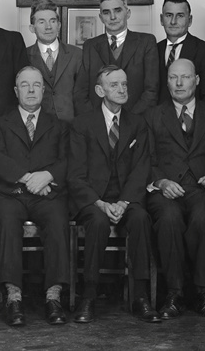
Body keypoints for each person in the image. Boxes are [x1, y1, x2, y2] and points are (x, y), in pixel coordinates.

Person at [68, 65, 158, 323]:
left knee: (141, 219)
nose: (122, 89)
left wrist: (123, 201)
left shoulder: (138, 123)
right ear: (100, 90)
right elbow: (75, 174)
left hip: (125, 198)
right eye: (114, 85)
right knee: (97, 222)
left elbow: (142, 169)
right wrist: (100, 203)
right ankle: (89, 296)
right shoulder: (82, 124)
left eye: (125, 85)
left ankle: (140, 296)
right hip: (93, 199)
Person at [0, 66, 71, 326]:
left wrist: (47, 176)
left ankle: (53, 296)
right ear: (16, 90)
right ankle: (13, 297)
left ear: (44, 90)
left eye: (36, 85)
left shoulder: (59, 124)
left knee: (58, 221)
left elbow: (68, 159)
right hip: (10, 193)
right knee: (8, 223)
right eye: (25, 85)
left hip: (47, 194)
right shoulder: (0, 123)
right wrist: (28, 178)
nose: (31, 90)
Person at [145, 59, 205, 320]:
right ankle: (174, 293)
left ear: (197, 80)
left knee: (204, 218)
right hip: (166, 189)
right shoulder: (153, 115)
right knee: (169, 218)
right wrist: (161, 183)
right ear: (166, 81)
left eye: (186, 77)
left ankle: (203, 293)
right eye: (173, 78)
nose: (179, 83)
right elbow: (146, 159)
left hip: (203, 187)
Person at [73, 0, 158, 115]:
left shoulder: (146, 42)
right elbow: (80, 92)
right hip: (98, 126)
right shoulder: (90, 46)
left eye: (117, 11)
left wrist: (132, 121)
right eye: (106, 12)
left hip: (137, 123)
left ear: (127, 13)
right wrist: (97, 121)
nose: (112, 17)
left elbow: (151, 90)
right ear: (101, 17)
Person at [157, 0, 205, 106]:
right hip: (156, 120)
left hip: (193, 120)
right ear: (161, 19)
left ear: (190, 20)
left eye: (180, 16)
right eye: (169, 15)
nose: (173, 21)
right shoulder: (152, 49)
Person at [26, 0, 81, 121]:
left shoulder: (77, 54)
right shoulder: (24, 56)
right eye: (41, 22)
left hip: (71, 126)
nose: (48, 27)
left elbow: (83, 95)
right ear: (32, 28)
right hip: (37, 127)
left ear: (59, 25)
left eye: (53, 21)